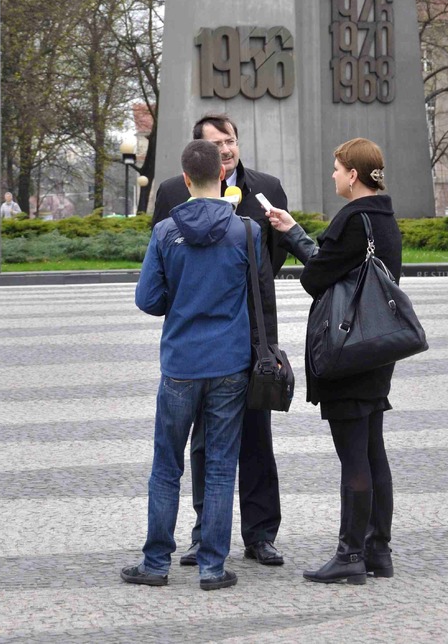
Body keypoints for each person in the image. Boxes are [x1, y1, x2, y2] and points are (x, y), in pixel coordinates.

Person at [121, 139, 273, 591]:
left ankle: (155, 563)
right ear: (223, 177)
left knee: (167, 465)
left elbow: (147, 299)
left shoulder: (166, 232)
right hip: (230, 363)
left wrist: (180, 298)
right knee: (223, 464)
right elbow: (256, 292)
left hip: (181, 364)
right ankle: (211, 566)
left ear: (185, 179)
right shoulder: (247, 231)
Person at [151, 113, 288, 567]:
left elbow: (273, 260)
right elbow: (165, 263)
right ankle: (204, 536)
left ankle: (260, 532)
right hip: (204, 339)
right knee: (206, 443)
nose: (226, 149)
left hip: (253, 334)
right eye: (216, 143)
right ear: (201, 153)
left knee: (256, 438)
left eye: (230, 140)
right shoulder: (172, 193)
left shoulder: (266, 189)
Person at [266, 138, 401, 585]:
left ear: (354, 176)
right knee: (372, 449)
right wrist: (293, 230)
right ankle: (377, 550)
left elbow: (316, 276)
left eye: (337, 168)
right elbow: (334, 265)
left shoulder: (352, 221)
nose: (334, 175)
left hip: (348, 351)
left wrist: (295, 239)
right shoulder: (383, 218)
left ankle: (349, 555)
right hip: (377, 347)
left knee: (353, 457)